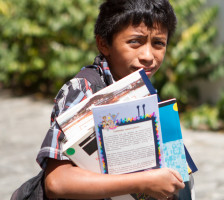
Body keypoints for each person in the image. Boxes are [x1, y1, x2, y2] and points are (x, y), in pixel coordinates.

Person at [36, 0, 187, 199]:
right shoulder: (82, 91)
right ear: (104, 44)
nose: (148, 56)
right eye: (135, 41)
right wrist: (145, 182)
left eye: (158, 43)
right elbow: (56, 182)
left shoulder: (142, 90)